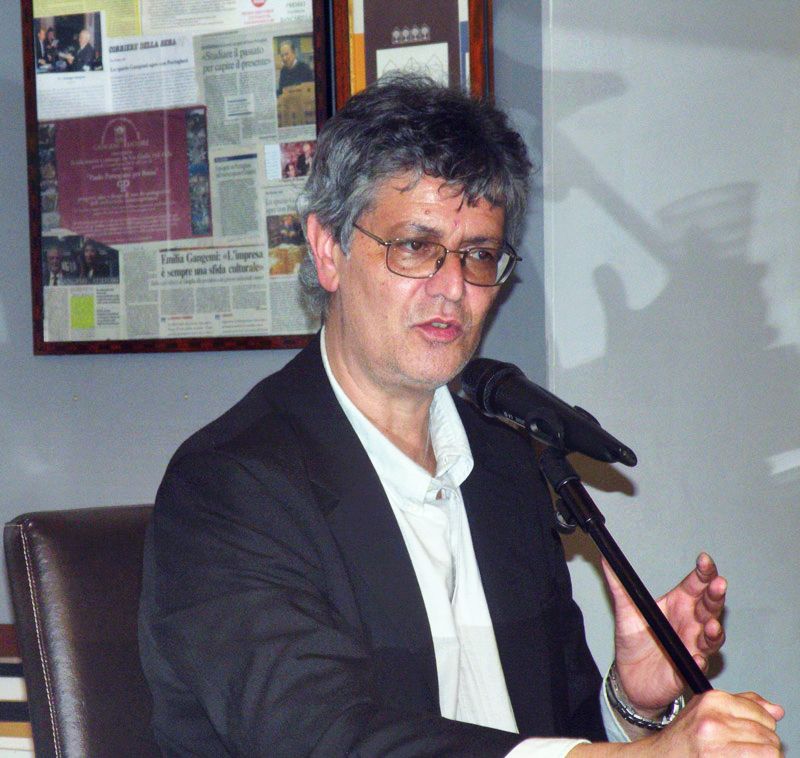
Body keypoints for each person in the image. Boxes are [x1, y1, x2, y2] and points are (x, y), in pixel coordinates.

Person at [139, 74, 783, 756]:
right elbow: (323, 738)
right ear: (329, 251)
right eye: (415, 247)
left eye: (478, 255)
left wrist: (634, 705)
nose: (452, 289)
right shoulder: (231, 485)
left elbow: (550, 732)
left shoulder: (508, 461)